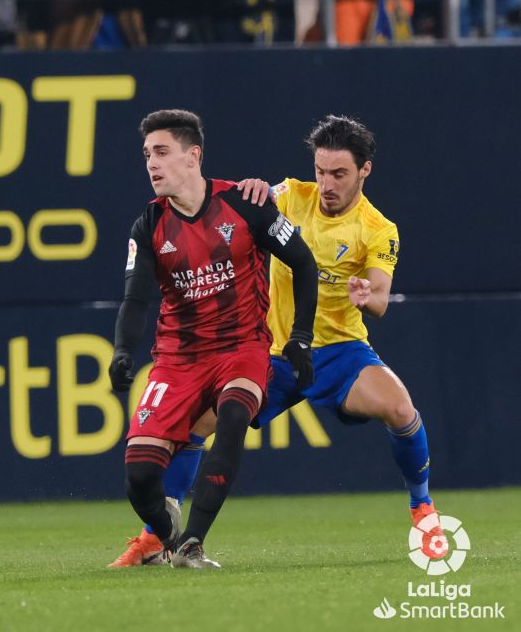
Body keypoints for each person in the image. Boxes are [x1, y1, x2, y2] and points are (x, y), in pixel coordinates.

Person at [110, 114, 446, 569]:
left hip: (340, 350)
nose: (326, 183)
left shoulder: (378, 228)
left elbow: (382, 297)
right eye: (321, 171)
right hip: (271, 351)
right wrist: (252, 186)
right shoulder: (291, 195)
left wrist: (368, 296)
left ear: (364, 171)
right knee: (192, 429)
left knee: (401, 409)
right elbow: (237, 203)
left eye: (339, 174)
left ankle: (422, 507)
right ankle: (155, 537)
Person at [108, 109, 318, 569]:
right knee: (139, 476)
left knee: (233, 417)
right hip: (177, 359)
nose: (152, 164)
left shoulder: (246, 203)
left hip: (241, 348)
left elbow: (303, 263)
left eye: (162, 152)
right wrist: (123, 350)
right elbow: (136, 300)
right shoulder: (148, 225)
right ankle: (167, 536)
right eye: (147, 154)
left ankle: (193, 544)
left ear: (193, 156)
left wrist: (300, 337)